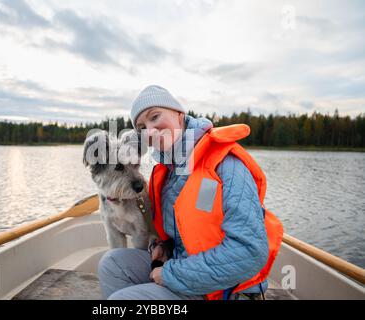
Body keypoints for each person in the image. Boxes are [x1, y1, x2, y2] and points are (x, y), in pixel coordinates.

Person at [98, 85, 283, 300]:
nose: (149, 131)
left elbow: (250, 252)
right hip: (183, 266)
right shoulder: (169, 170)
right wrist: (163, 247)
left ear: (179, 115)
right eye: (141, 127)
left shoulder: (226, 165)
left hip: (224, 290)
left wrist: (170, 274)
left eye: (155, 117)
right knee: (111, 264)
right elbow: (186, 232)